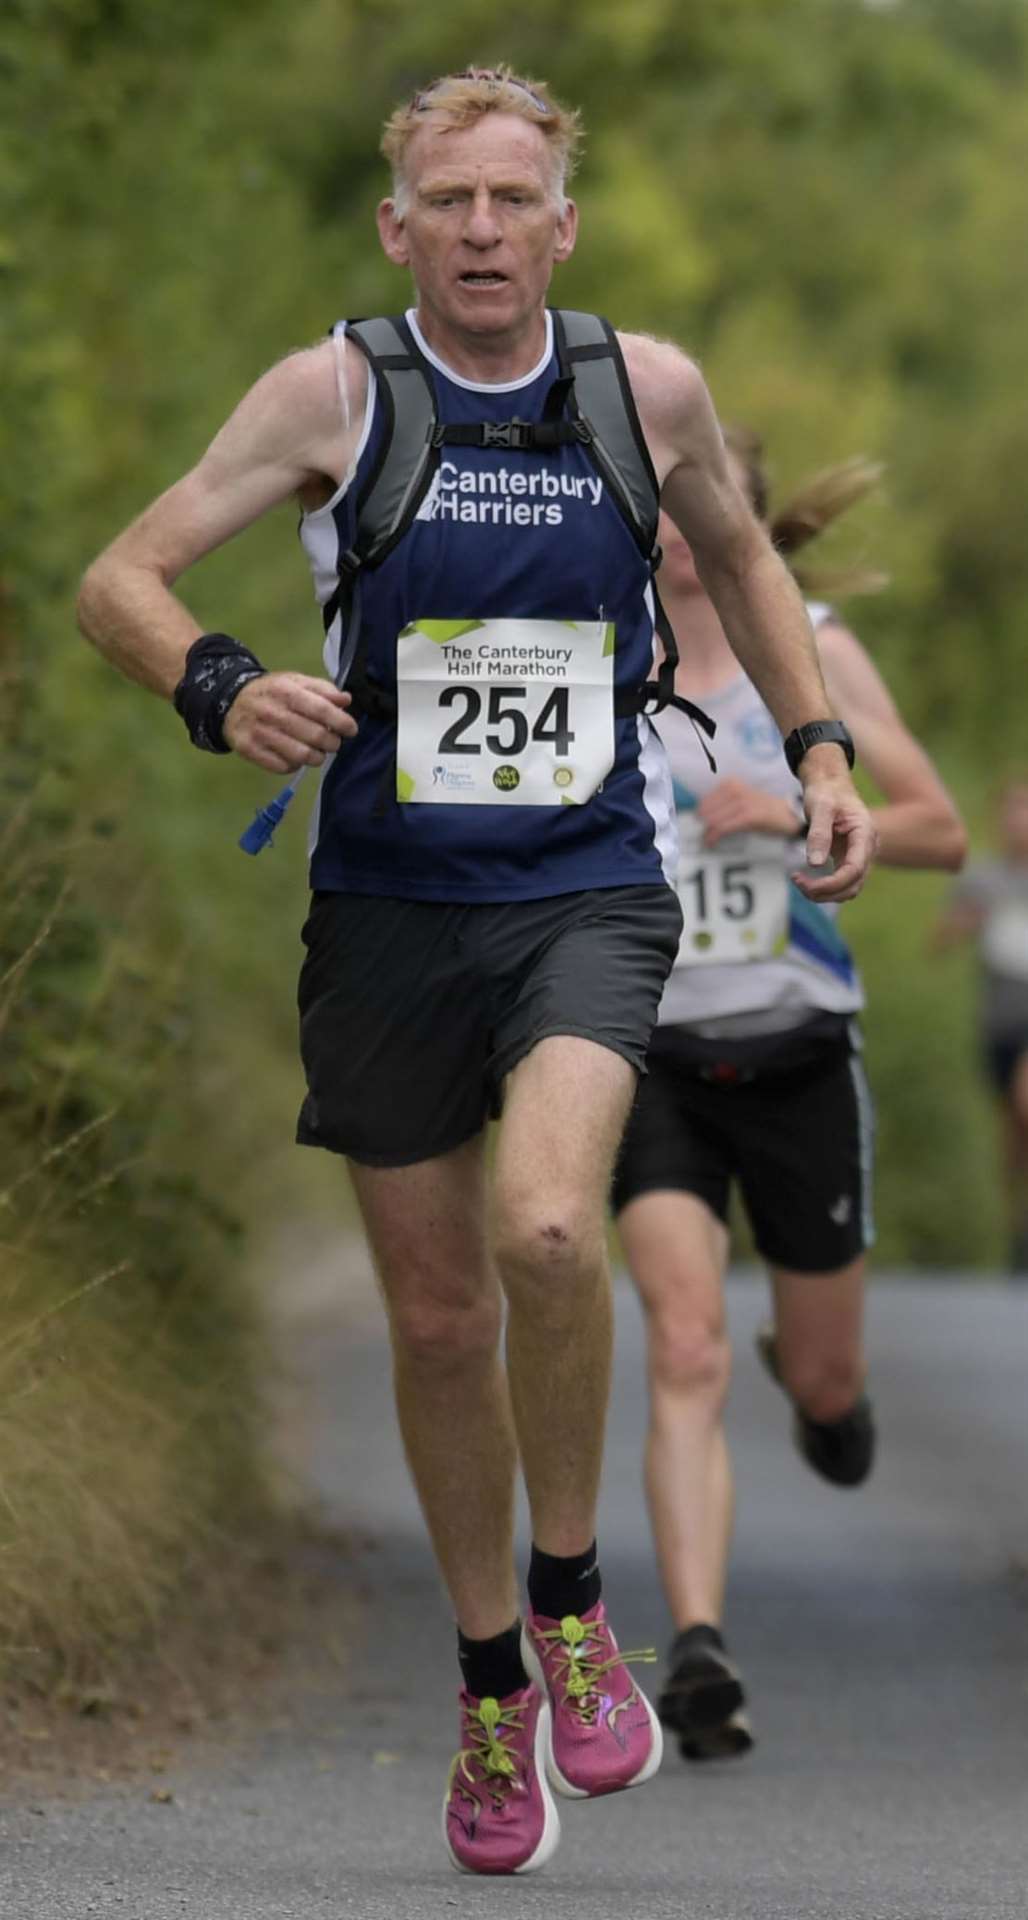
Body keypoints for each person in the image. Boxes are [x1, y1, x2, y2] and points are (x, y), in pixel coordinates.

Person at [76, 68, 875, 1875]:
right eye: (451, 201)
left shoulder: (638, 386)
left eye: (515, 199)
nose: (484, 230)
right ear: (398, 226)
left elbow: (741, 556)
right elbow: (118, 576)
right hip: (382, 907)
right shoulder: (331, 394)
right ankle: (487, 1689)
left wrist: (818, 750)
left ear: (561, 226)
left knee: (540, 1232)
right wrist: (217, 682)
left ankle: (579, 1605)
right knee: (435, 1321)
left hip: (584, 886)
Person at [613, 427, 966, 1762]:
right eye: (659, 514)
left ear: (743, 525)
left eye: (705, 516)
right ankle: (696, 1644)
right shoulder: (600, 638)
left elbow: (937, 824)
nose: (681, 540)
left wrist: (795, 810)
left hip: (800, 1051)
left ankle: (824, 1394)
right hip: (646, 1057)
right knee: (683, 1344)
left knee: (820, 1377)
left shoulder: (808, 648)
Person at [934, 777, 1028, 1274]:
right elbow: (941, 939)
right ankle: (1016, 1231)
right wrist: (966, 921)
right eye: (1013, 813)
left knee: (1025, 1100)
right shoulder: (985, 880)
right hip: (1000, 1023)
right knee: (1011, 1134)